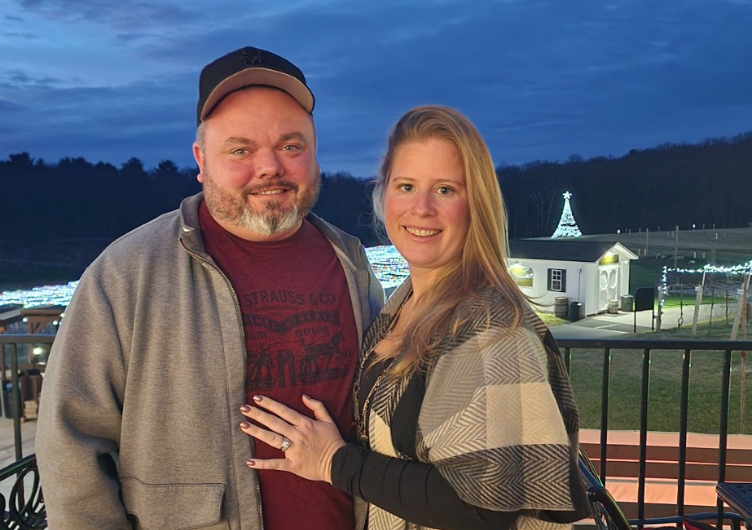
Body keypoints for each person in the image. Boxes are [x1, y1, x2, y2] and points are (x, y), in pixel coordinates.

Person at [35, 46, 384, 530]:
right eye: (241, 150)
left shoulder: (351, 261)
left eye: (291, 146)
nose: (270, 167)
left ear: (314, 152)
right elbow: (71, 443)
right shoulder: (127, 273)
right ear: (201, 160)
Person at [238, 105, 591, 530]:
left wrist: (334, 461)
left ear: (475, 204)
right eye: (406, 186)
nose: (421, 208)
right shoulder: (399, 307)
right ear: (383, 195)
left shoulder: (490, 329)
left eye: (445, 190)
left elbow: (483, 508)